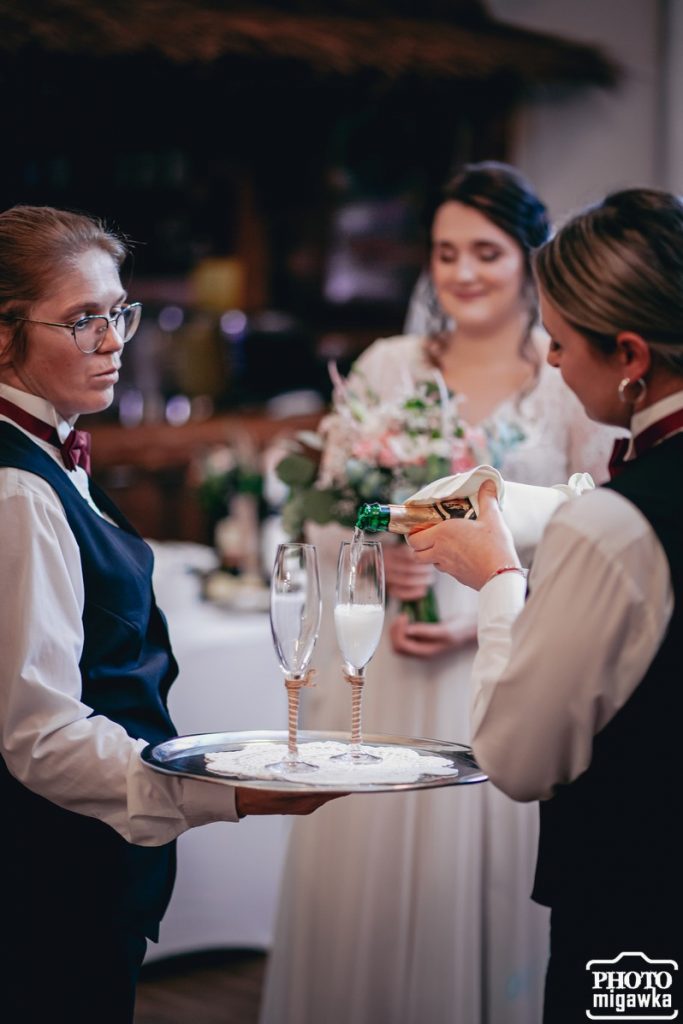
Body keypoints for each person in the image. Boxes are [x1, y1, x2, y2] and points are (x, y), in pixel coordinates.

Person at [259, 163, 621, 1024]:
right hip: (386, 654)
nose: (461, 272)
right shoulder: (386, 366)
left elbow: (596, 529)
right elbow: (332, 515)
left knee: (470, 867)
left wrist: (484, 607)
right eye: (445, 252)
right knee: (369, 872)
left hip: (499, 649)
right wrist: (385, 555)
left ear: (529, 257)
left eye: (485, 253)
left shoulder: (565, 376)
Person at [0, 205, 336, 1024]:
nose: (114, 341)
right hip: (48, 882)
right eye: (82, 320)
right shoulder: (18, 493)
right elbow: (41, 736)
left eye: (119, 312)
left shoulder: (46, 458)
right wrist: (223, 792)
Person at [407, 187, 683, 1023]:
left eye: (560, 342)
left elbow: (518, 758)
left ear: (629, 353)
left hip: (637, 916)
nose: (552, 361)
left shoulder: (616, 529)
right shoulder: (619, 512)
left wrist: (497, 576)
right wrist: (517, 507)